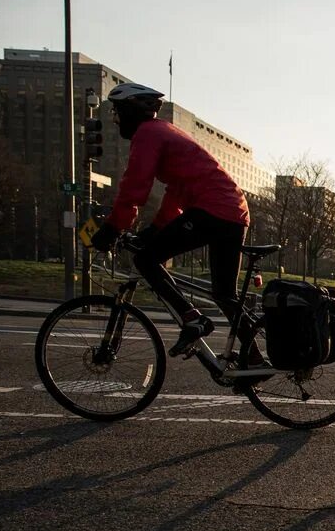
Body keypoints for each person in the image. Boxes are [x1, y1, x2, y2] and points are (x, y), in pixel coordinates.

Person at [89, 83, 251, 357]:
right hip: (233, 212)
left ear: (132, 111)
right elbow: (175, 193)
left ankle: (192, 318)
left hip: (211, 210)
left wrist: (113, 227)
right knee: (224, 294)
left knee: (144, 260)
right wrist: (154, 229)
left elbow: (135, 185)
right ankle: (255, 358)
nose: (116, 120)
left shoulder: (148, 134)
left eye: (117, 112)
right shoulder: (165, 132)